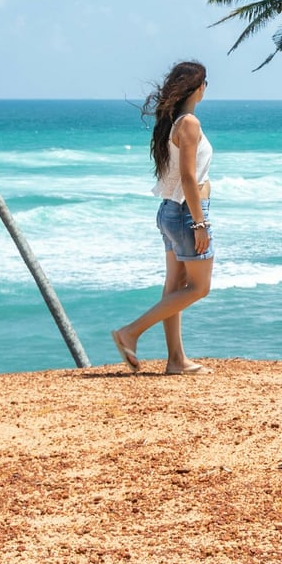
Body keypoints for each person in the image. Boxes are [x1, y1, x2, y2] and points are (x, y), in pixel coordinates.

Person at [113, 60, 214, 375]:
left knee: (174, 287)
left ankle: (175, 361)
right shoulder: (190, 125)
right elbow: (188, 178)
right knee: (199, 288)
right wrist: (200, 224)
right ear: (198, 88)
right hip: (186, 213)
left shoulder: (175, 123)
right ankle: (130, 332)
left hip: (170, 212)